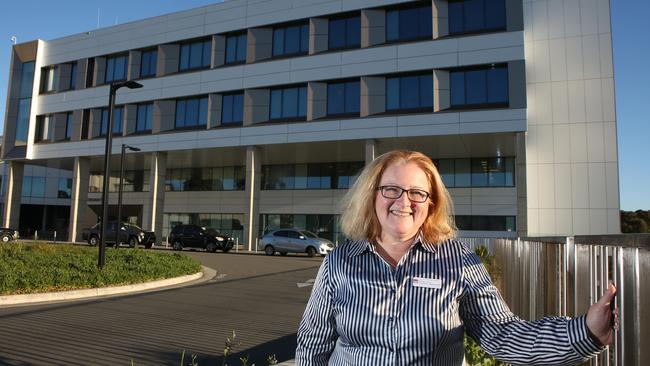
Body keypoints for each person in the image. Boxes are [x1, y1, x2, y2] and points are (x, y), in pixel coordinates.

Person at [296, 150, 616, 365]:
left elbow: (502, 333)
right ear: (373, 195)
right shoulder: (339, 262)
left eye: (417, 193)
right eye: (391, 189)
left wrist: (586, 330)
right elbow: (313, 345)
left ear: (431, 203)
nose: (404, 201)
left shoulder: (458, 261)